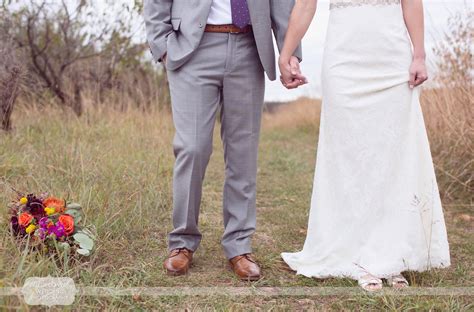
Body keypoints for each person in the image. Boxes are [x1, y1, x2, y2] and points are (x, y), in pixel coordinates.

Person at [279, 0, 450, 291]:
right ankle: (356, 255)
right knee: (350, 157)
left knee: (392, 155)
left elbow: (411, 2)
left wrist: (419, 54)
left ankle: (392, 256)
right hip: (344, 57)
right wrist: (286, 54)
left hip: (392, 55)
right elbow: (306, 4)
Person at [143, 0, 306, 281]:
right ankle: (182, 241)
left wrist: (289, 53)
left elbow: (281, 4)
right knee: (192, 148)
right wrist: (162, 46)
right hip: (192, 47)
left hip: (249, 47)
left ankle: (239, 245)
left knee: (243, 151)